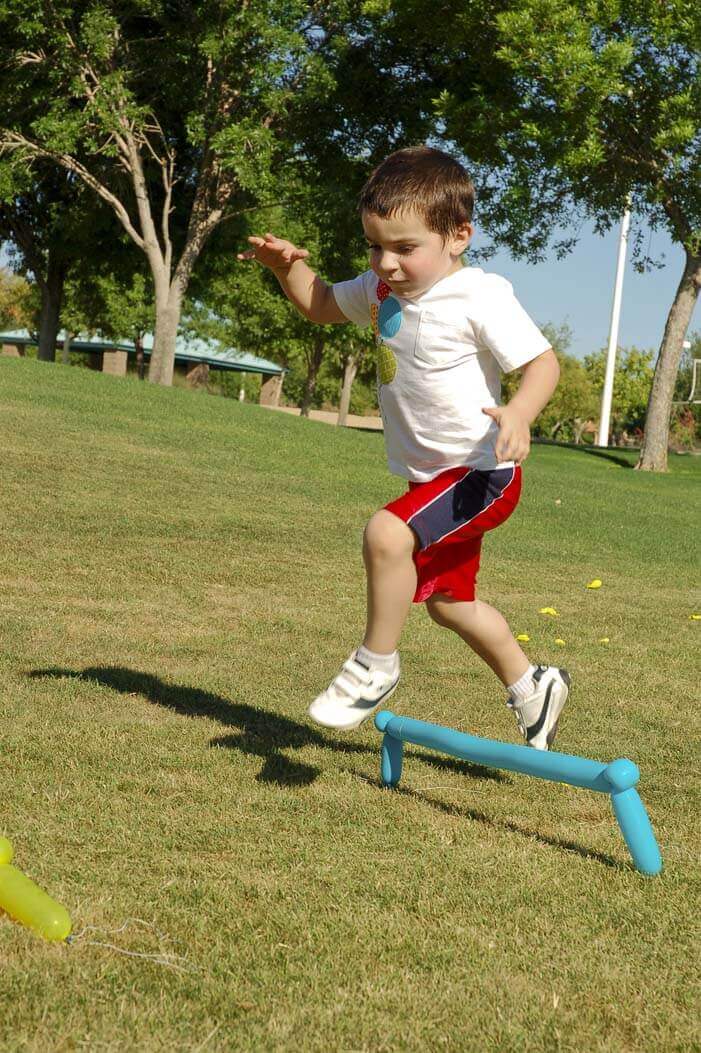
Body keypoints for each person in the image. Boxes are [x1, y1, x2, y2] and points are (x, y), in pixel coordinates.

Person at [237, 145, 570, 750]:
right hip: (431, 482)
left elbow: (542, 362)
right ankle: (533, 684)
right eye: (375, 246)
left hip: (482, 473)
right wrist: (285, 268)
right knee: (448, 603)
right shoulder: (380, 289)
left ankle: (376, 664)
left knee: (386, 534)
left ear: (457, 236)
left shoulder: (480, 294)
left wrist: (519, 412)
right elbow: (320, 304)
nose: (386, 263)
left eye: (404, 248)